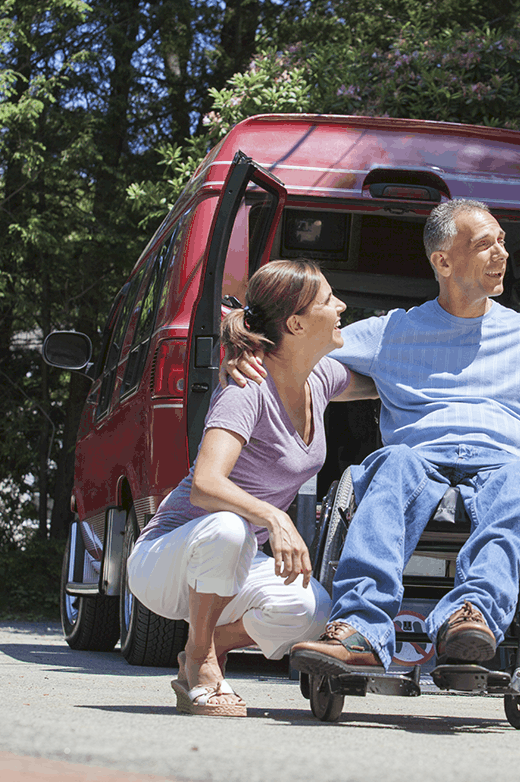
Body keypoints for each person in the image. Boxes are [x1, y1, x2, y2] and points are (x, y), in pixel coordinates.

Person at [228, 199, 520, 675]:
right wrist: (250, 357)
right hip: (416, 458)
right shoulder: (392, 331)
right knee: (388, 466)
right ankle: (360, 628)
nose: (501, 253)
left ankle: (470, 615)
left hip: (506, 461)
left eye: (502, 241)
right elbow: (298, 360)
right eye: (484, 244)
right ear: (443, 261)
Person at [126, 259, 376, 716]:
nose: (340, 305)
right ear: (297, 323)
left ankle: (202, 647)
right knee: (229, 526)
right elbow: (205, 484)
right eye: (327, 299)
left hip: (230, 566)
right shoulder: (247, 388)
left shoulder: (319, 380)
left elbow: (384, 386)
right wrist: (274, 516)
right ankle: (203, 664)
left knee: (311, 610)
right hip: (166, 560)